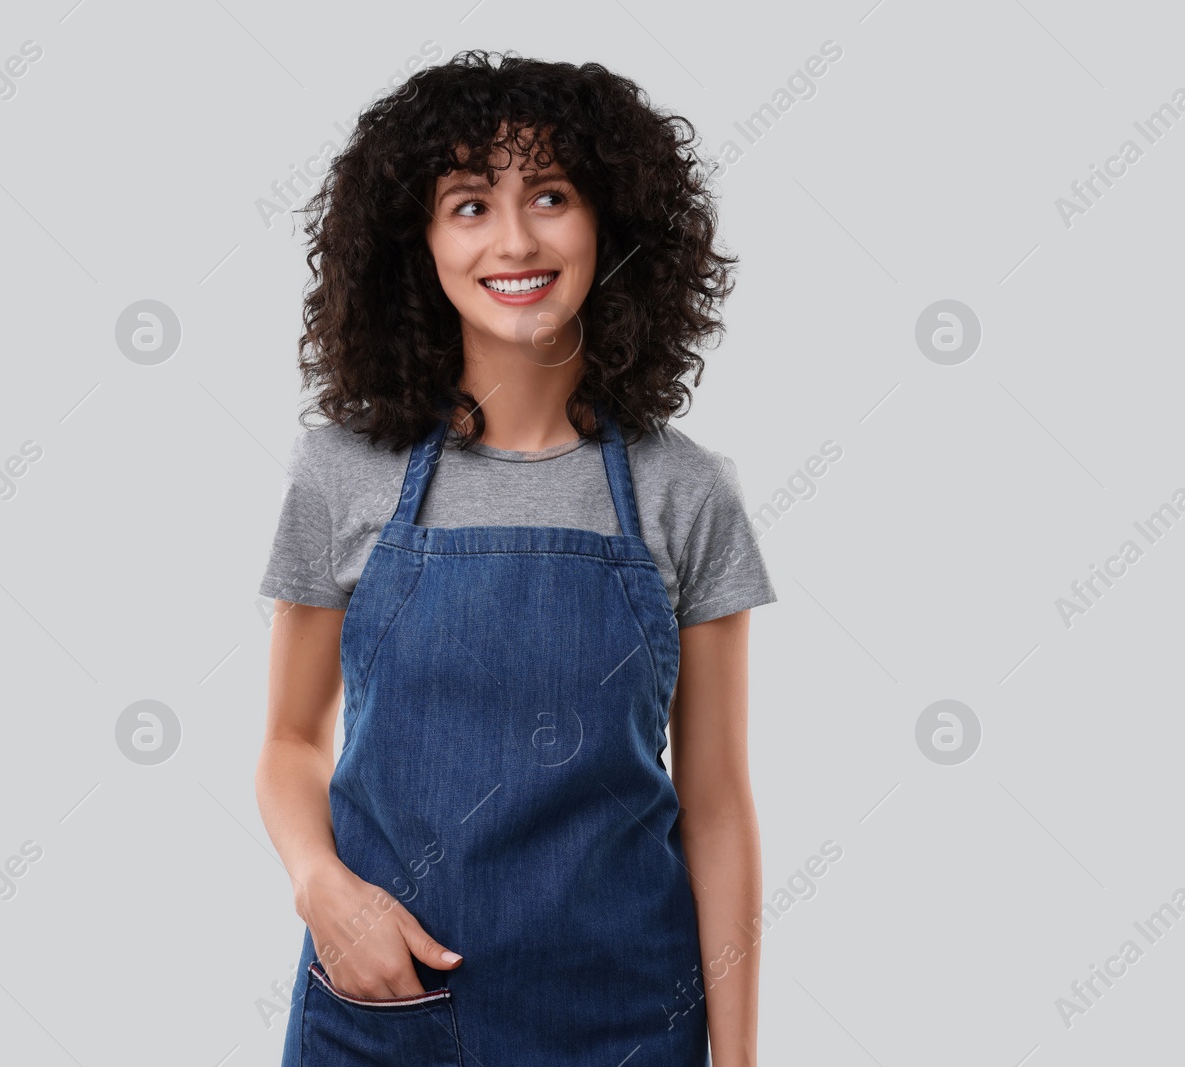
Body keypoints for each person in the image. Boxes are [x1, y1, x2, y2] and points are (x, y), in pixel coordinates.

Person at [254, 50, 774, 1067]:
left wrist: (740, 1056)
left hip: (629, 1017)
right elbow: (286, 739)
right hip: (382, 1009)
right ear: (418, 239)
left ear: (610, 222)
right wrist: (321, 885)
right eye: (468, 204)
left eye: (550, 194)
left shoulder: (686, 490)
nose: (516, 239)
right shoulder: (340, 475)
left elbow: (717, 803)